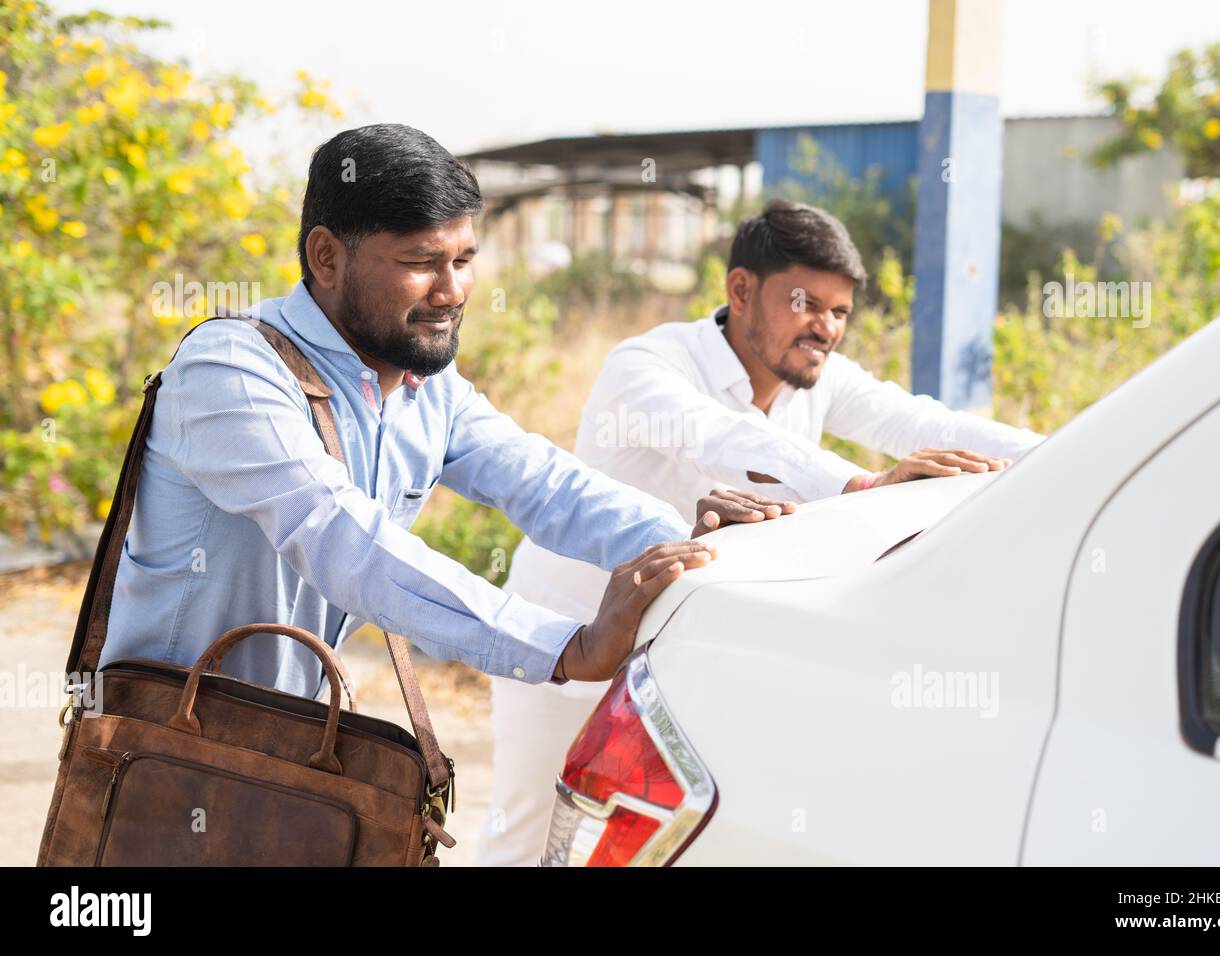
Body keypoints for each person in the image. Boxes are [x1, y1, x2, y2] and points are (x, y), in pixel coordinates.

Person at [99, 124, 789, 710]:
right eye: (421, 262)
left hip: (289, 750)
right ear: (326, 256)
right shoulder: (231, 372)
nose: (453, 291)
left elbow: (547, 485)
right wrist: (567, 648)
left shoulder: (424, 386)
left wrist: (695, 549)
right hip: (164, 753)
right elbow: (344, 541)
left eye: (463, 260)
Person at [479, 198, 1046, 865]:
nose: (826, 328)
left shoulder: (817, 378)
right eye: (807, 304)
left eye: (839, 313)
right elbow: (723, 437)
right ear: (741, 290)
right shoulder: (646, 366)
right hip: (569, 643)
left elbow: (927, 425)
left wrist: (1076, 452)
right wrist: (862, 484)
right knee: (530, 838)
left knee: (664, 846)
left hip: (686, 656)